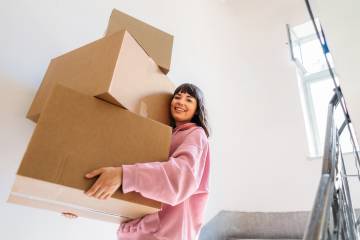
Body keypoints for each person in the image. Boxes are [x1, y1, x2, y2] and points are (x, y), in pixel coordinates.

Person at [65, 83, 210, 240]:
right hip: (135, 231)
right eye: (177, 97)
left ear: (197, 109)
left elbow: (179, 179)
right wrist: (80, 205)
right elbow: (129, 186)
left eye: (189, 99)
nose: (181, 102)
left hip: (166, 234)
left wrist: (125, 175)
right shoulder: (161, 135)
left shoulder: (196, 134)